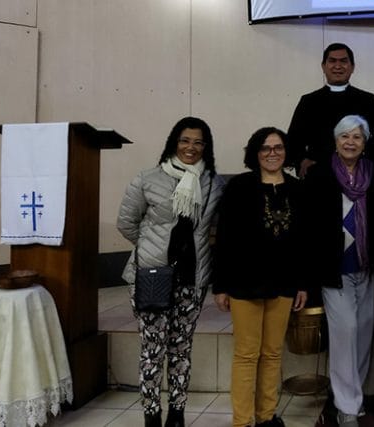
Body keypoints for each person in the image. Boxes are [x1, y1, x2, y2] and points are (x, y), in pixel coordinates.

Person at [117, 116, 225, 427]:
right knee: (152, 351)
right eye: (185, 140)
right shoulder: (148, 178)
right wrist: (151, 248)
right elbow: (127, 223)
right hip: (152, 277)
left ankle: (176, 415)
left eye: (198, 142)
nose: (191, 147)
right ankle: (152, 416)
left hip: (193, 278)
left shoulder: (212, 182)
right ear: (174, 143)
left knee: (181, 350)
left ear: (206, 147)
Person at [213, 127, 308, 427]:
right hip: (244, 281)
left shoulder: (296, 188)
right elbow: (224, 237)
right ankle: (242, 421)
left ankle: (266, 416)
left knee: (271, 353)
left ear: (286, 151)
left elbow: (303, 241)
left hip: (284, 281)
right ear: (255, 153)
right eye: (265, 148)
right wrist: (221, 285)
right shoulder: (239, 187)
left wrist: (302, 283)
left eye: (278, 147)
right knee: (246, 354)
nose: (272, 153)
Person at [304, 115, 374, 427]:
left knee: (362, 331)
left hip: (367, 266)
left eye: (357, 137)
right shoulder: (320, 174)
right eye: (344, 136)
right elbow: (309, 225)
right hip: (334, 268)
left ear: (364, 143)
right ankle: (346, 405)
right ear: (335, 141)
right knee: (345, 330)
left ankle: (354, 395)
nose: (350, 142)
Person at [288, 43, 374, 177]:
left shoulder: (367, 100)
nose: (338, 66)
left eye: (343, 61)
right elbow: (293, 141)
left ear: (352, 67)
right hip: (318, 174)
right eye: (332, 61)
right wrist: (301, 161)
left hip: (358, 175)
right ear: (323, 66)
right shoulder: (309, 101)